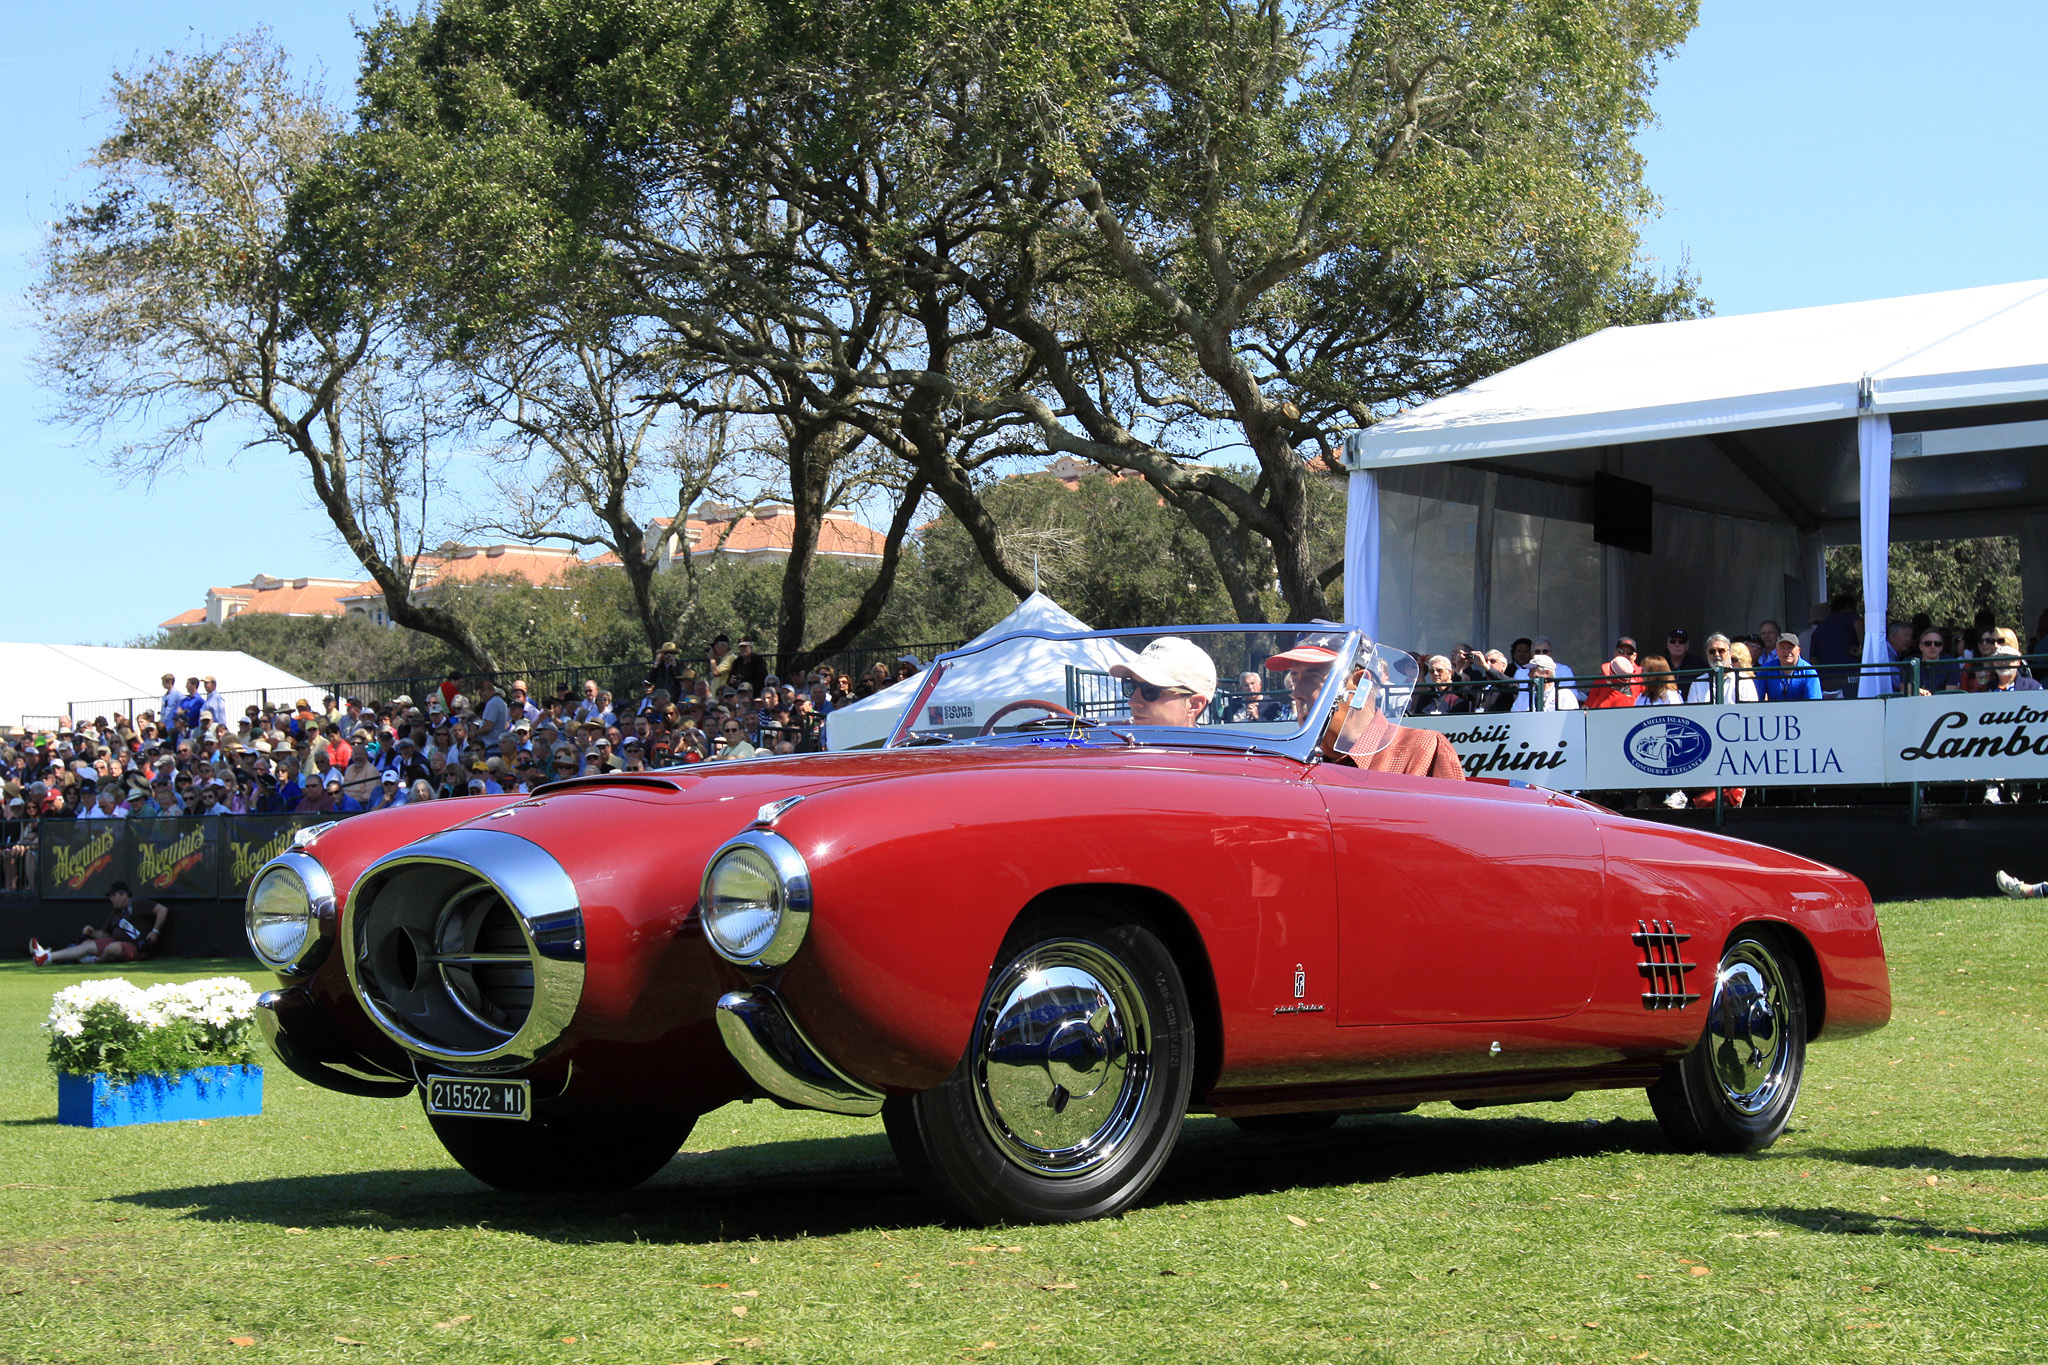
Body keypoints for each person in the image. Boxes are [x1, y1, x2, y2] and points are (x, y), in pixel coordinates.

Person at [1265, 634, 1463, 777]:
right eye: (1295, 677)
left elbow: (1455, 832)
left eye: (1314, 676)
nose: (1296, 693)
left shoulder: (1422, 750)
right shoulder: (1291, 763)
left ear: (1360, 685)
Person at [30, 881, 168, 965]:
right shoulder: (115, 913)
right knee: (87, 944)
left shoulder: (138, 903)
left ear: (123, 894)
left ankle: (95, 960)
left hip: (138, 947)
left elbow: (162, 910)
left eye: (113, 896)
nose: (111, 899)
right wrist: (93, 932)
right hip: (115, 942)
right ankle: (46, 956)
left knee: (113, 948)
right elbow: (105, 933)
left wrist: (155, 931)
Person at [1108, 637, 1217, 727]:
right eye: (1131, 686)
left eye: (1150, 690)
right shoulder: (1110, 746)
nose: (1132, 702)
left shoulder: (1211, 753)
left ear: (1194, 705)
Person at [1685, 634, 1758, 704]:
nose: (1716, 654)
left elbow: (1750, 711)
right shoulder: (1698, 683)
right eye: (1712, 651)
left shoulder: (1744, 680)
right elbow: (1693, 713)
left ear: (1729, 653)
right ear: (1707, 654)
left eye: (1721, 651)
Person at [1756, 635, 1822, 701]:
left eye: (1790, 647)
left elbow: (1814, 702)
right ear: (1777, 651)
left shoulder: (1809, 672)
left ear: (1798, 650)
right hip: (1773, 710)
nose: (1786, 651)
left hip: (1801, 710)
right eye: (1782, 648)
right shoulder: (1765, 670)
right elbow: (1757, 699)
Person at [1583, 638, 1640, 708]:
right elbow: (1592, 698)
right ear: (1615, 652)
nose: (1625, 655)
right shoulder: (1605, 673)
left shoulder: (1642, 674)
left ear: (1635, 656)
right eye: (1621, 651)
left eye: (1629, 653)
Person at [1511, 655, 1579, 712]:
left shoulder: (1565, 694)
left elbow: (1570, 720)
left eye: (1533, 671)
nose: (1529, 674)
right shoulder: (1525, 695)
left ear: (1547, 673)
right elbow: (1515, 716)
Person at [1912, 626, 1962, 693]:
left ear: (1941, 647)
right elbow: (1908, 694)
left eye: (1937, 644)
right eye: (1928, 643)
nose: (1933, 646)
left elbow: (1950, 695)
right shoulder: (1911, 663)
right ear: (1921, 647)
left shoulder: (1951, 663)